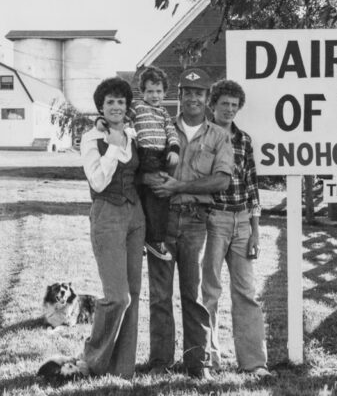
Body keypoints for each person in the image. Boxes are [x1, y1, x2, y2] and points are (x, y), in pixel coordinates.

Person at [145, 68, 234, 379]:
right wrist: (158, 182)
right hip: (161, 219)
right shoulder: (161, 128)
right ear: (179, 96)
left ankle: (197, 365)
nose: (194, 98)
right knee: (159, 294)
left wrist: (178, 186)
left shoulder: (219, 136)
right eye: (188, 92)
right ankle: (160, 363)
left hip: (196, 222)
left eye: (200, 93)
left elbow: (222, 180)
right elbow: (142, 165)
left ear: (207, 99)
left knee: (194, 294)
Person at [203, 79, 270, 377]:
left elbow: (253, 187)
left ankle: (254, 362)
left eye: (234, 105)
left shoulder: (244, 140)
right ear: (213, 106)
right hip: (214, 219)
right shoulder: (203, 138)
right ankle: (208, 359)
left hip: (243, 220)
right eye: (224, 104)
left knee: (246, 291)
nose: (229, 109)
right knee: (209, 292)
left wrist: (255, 229)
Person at [79, 77, 145, 377]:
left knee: (133, 295)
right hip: (107, 214)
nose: (116, 107)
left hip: (135, 217)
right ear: (101, 107)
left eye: (121, 102)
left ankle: (123, 370)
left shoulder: (132, 134)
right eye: (110, 102)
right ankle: (93, 360)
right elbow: (98, 181)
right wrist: (113, 147)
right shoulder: (91, 138)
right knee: (117, 296)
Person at [132, 66, 180, 261]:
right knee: (148, 196)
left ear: (165, 93)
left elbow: (171, 133)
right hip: (144, 154)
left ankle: (151, 238)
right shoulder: (137, 107)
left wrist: (174, 150)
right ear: (142, 92)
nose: (154, 95)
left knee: (158, 199)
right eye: (150, 91)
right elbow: (119, 117)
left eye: (158, 91)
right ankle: (149, 239)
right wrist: (101, 121)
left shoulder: (163, 113)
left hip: (160, 156)